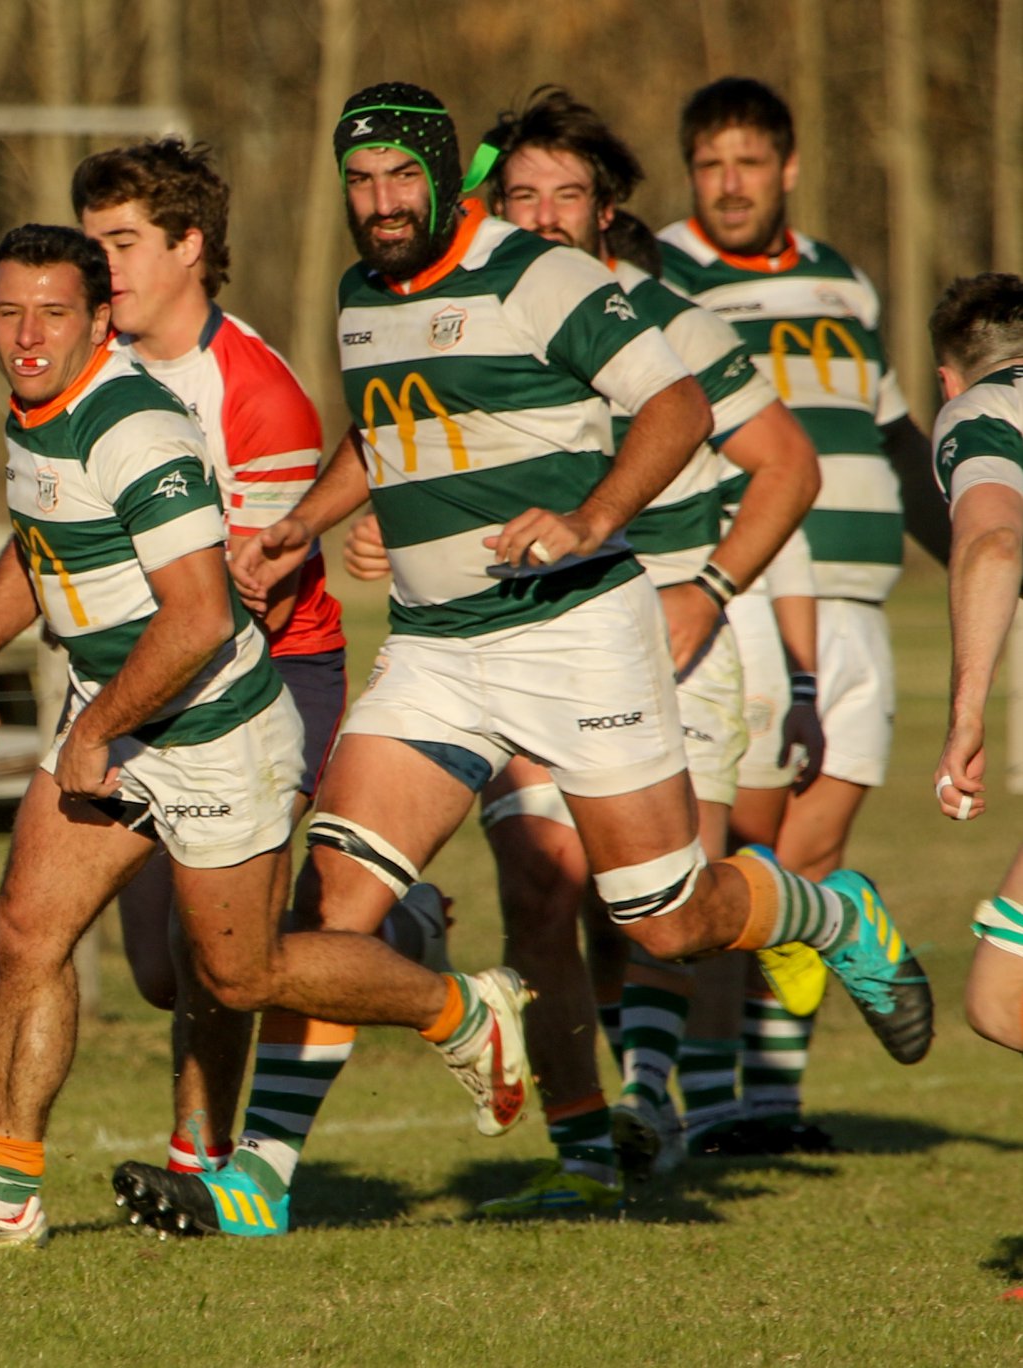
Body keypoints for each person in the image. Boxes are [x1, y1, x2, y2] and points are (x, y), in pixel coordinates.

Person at [120, 81, 929, 1240]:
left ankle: (830, 911)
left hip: (577, 638)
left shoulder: (537, 274)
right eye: (361, 180)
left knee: (662, 919)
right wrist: (306, 519)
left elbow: (680, 404)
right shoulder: (361, 292)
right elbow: (386, 422)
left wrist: (593, 520)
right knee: (332, 906)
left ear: (444, 177)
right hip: (438, 650)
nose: (381, 202)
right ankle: (261, 1175)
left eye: (403, 177)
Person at [0, 224, 529, 1254]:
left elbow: (197, 619)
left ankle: (458, 1006)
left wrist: (94, 729)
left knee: (238, 974)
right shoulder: (34, 409)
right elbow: (41, 534)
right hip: (121, 721)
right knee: (25, 933)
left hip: (216, 735)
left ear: (100, 318)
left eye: (53, 312)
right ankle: (2, 1195)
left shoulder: (133, 426)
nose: (27, 335)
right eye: (8, 312)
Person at [447, 88, 817, 1213]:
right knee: (544, 899)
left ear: (609, 212)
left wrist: (708, 589)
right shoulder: (472, 320)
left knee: (658, 903)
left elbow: (787, 467)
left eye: (570, 195)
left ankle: (655, 1080)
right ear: (494, 208)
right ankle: (585, 1153)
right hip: (521, 644)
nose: (547, 215)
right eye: (523, 196)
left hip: (668, 636)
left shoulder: (670, 322)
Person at [657, 77, 935, 1151]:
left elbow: (900, 444)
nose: (729, 186)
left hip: (864, 604)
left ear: (789, 169)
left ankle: (769, 1104)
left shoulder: (844, 284)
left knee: (810, 857)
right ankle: (714, 1096)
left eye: (748, 163)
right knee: (743, 844)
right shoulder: (667, 277)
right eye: (709, 165)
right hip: (753, 592)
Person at [70, 137, 356, 1177]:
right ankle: (379, 928)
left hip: (268, 676)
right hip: (151, 678)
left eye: (124, 242)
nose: (103, 268)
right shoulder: (90, 370)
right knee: (154, 968)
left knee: (215, 954)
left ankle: (199, 1152)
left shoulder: (255, 395)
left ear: (191, 245)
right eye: (92, 242)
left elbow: (243, 602)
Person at [928, 273, 1023, 1051]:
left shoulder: (981, 411)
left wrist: (965, 717)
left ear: (945, 377)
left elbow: (994, 541)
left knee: (1001, 999)